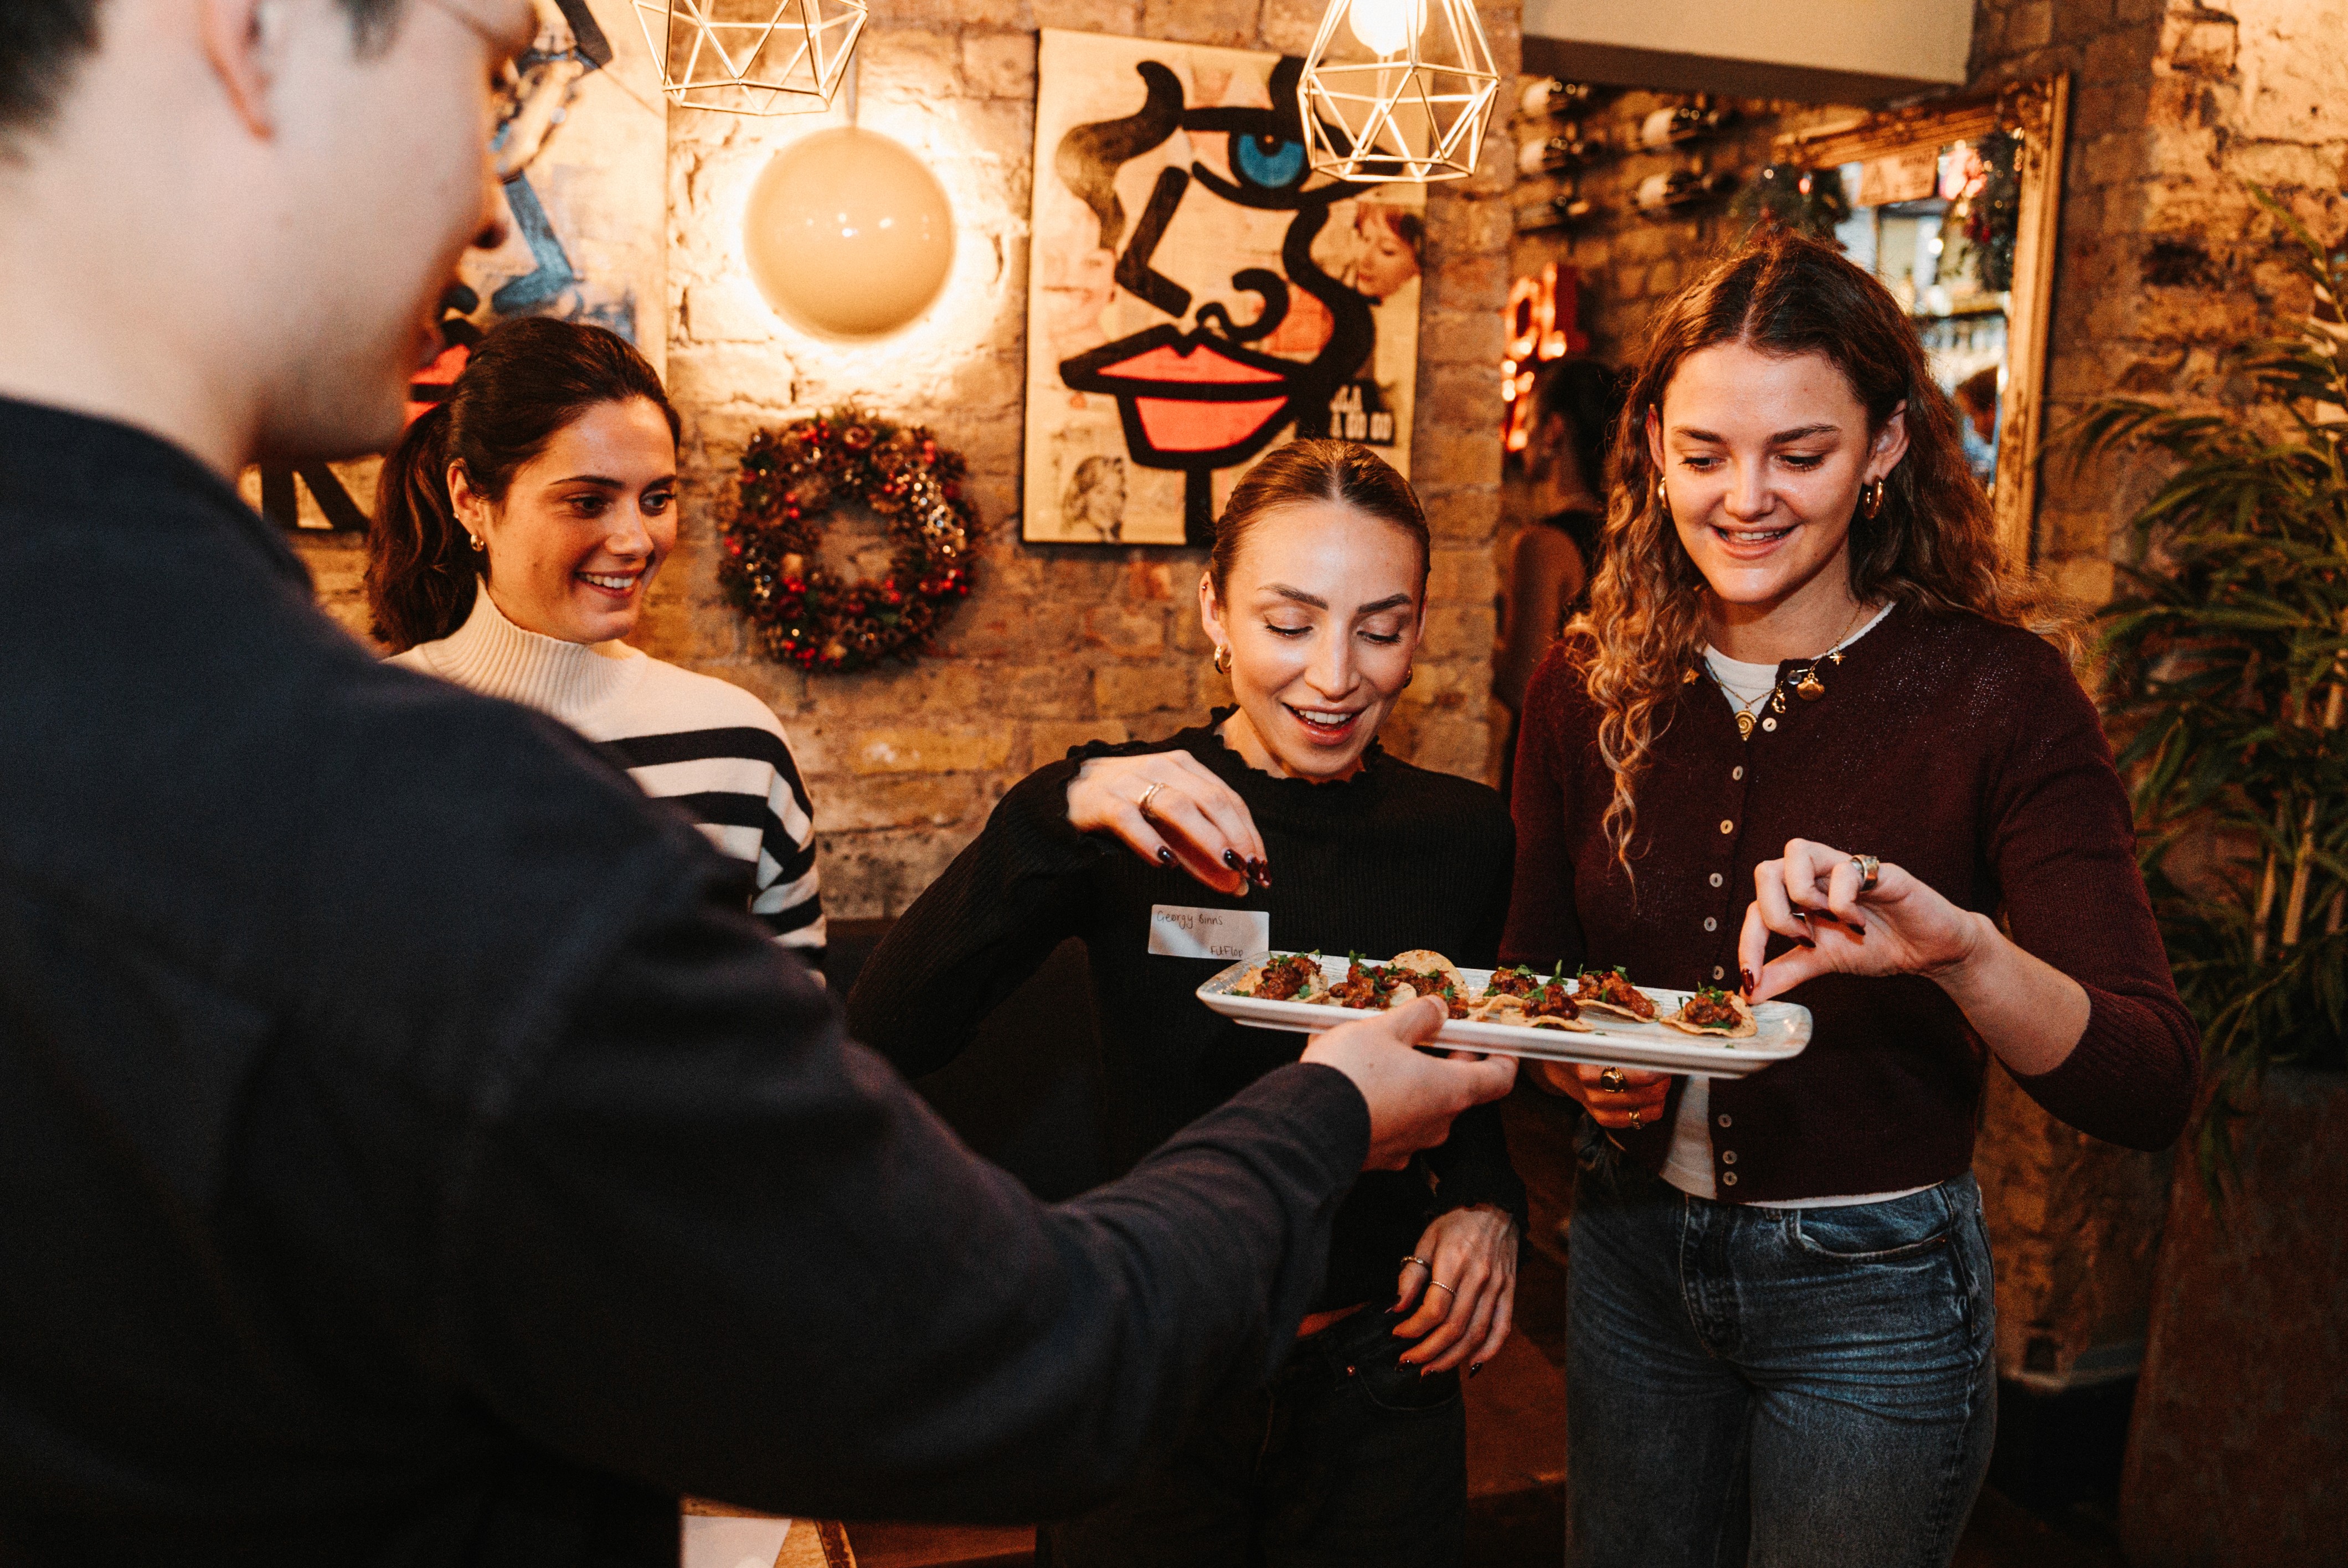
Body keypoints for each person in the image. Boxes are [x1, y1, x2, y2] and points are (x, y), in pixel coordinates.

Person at [0, 1, 1519, 1558]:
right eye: (494, 64)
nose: (479, 203)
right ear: (246, 34)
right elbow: (1012, 1351)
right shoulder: (436, 819)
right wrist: (1328, 1105)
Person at [1502, 231, 2199, 1567]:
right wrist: (1579, 1070)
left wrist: (1962, 953)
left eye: (1797, 453)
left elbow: (2145, 1079)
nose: (1743, 497)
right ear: (1648, 444)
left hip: (1871, 1291)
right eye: (1702, 453)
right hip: (1630, 1263)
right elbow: (1528, 967)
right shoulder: (1579, 684)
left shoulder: (1996, 694)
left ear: (1883, 444)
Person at [851, 440, 1523, 1568]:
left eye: (1380, 626)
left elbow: (1476, 1071)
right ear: (1214, 612)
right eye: (1287, 620)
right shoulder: (1136, 813)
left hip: (1379, 1387)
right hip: (1155, 1373)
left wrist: (1486, 1202)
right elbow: (886, 1029)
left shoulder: (1461, 836)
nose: (1334, 674)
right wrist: (1055, 804)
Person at [371, 316, 825, 959]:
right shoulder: (368, 736)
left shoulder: (740, 745)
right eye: (588, 502)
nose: (636, 541)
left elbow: (790, 1033)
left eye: (656, 498)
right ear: (471, 499)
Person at [1494, 357, 1621, 801]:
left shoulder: (1543, 546)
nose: (1522, 436)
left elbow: (1521, 686)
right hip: (1613, 761)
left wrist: (1482, 647)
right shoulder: (1632, 541)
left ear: (1553, 430)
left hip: (1551, 771)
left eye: (1528, 421)